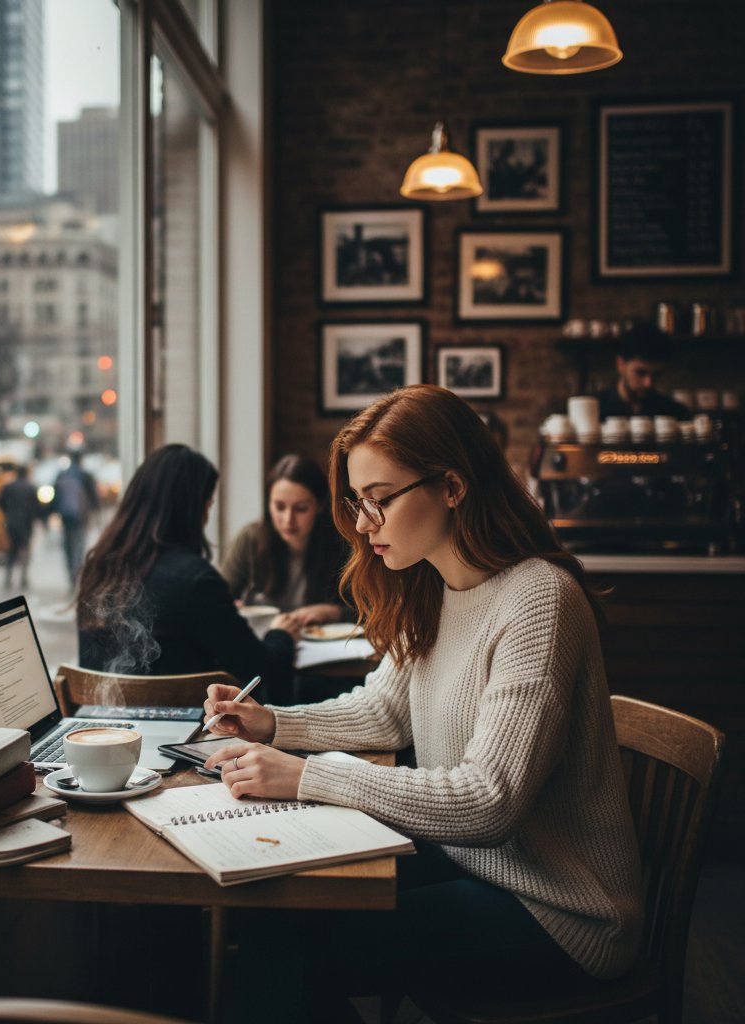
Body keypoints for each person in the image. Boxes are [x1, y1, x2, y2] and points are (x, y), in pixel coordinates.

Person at [201, 385, 643, 1023]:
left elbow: (489, 801)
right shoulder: (435, 589)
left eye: (379, 501)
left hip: (561, 910)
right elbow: (383, 713)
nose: (361, 524)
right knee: (280, 911)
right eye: (357, 503)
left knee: (288, 946)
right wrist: (272, 723)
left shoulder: (539, 601)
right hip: (478, 866)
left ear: (453, 487)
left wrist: (307, 775)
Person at [77, 444, 299, 701]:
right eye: (208, 504)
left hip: (103, 727)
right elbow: (259, 670)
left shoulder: (98, 569)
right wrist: (282, 634)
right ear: (194, 509)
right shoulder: (195, 580)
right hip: (186, 730)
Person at [220, 454, 351, 629]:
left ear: (320, 506)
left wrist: (332, 612)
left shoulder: (340, 544)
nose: (288, 520)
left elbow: (370, 610)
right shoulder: (251, 540)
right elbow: (218, 598)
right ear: (269, 504)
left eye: (301, 509)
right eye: (279, 507)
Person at [593, 322, 692, 420]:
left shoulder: (675, 413)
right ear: (621, 364)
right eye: (640, 373)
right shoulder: (593, 409)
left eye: (656, 375)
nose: (648, 383)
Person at [54, 451, 99, 589]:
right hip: (80, 516)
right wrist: (95, 511)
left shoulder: (62, 474)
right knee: (78, 545)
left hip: (65, 516)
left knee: (67, 545)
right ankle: (76, 573)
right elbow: (93, 497)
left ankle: (70, 574)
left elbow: (54, 496)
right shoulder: (84, 475)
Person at [0, 464, 39, 589]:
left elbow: (1, 504)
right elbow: (36, 508)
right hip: (25, 524)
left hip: (11, 523)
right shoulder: (30, 488)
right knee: (25, 549)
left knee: (11, 550)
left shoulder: (8, 487)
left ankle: (8, 578)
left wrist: (8, 515)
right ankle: (23, 578)